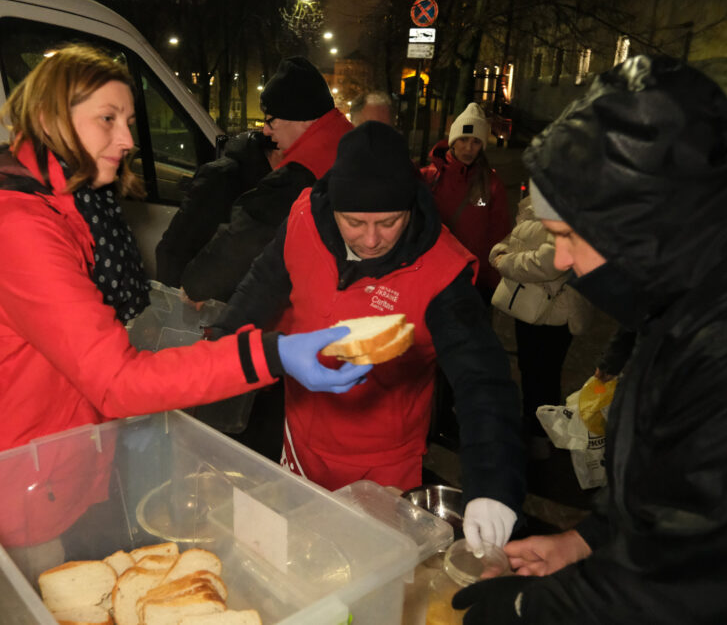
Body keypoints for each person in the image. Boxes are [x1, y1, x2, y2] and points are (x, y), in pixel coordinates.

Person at [0, 45, 372, 624]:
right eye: (108, 118)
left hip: (24, 470)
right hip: (6, 487)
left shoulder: (48, 211)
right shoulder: (18, 231)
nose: (128, 138)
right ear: (53, 117)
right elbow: (116, 380)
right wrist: (270, 352)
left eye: (128, 121)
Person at [451, 55, 727, 623]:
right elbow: (679, 491)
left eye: (569, 236)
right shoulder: (702, 283)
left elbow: (702, 580)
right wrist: (589, 541)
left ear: (641, 221)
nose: (563, 259)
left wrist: (525, 608)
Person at [210, 121, 526, 550]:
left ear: (410, 208)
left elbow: (482, 379)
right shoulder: (305, 217)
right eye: (355, 222)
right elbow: (260, 287)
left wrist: (492, 482)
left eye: (389, 221)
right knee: (297, 558)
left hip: (382, 467)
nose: (371, 239)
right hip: (301, 439)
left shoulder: (441, 272)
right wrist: (215, 359)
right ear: (333, 204)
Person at [180, 56, 353, 305]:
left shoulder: (303, 171)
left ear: (301, 118)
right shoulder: (346, 141)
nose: (266, 130)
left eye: (271, 120)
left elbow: (250, 231)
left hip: (323, 301)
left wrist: (198, 283)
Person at [489, 195, 593, 460]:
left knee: (542, 374)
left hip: (553, 311)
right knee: (532, 371)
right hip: (529, 307)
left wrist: (505, 261)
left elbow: (552, 262)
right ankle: (537, 430)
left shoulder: (572, 210)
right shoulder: (534, 205)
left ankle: (540, 438)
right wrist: (501, 250)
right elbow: (515, 240)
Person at [154, 130, 277, 289]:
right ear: (275, 151)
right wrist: (180, 294)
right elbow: (175, 244)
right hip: (201, 291)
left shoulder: (275, 185)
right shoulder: (220, 176)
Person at [421, 102, 511, 302]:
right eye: (463, 139)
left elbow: (499, 235)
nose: (469, 148)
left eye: (476, 142)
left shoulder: (491, 185)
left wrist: (492, 283)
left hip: (474, 282)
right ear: (453, 140)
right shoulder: (428, 179)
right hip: (434, 278)